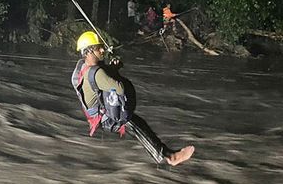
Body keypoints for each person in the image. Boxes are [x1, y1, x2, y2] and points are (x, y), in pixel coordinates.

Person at [71, 30, 194, 166]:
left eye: (101, 46)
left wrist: (112, 68)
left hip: (96, 116)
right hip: (106, 118)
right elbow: (119, 88)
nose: (102, 49)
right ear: (88, 52)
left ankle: (167, 154)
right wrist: (115, 70)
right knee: (135, 124)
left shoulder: (84, 67)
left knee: (140, 123)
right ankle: (170, 157)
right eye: (97, 48)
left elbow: (101, 80)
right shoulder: (97, 73)